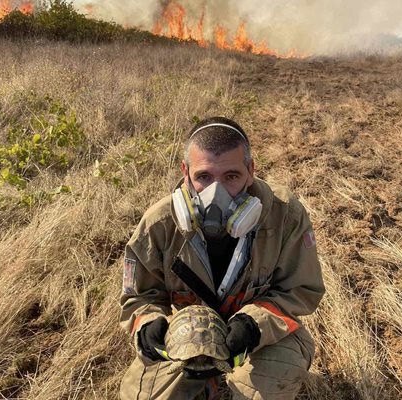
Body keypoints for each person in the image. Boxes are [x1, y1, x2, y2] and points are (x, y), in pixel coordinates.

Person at [119, 117, 325, 400]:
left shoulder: (284, 215)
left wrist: (255, 325)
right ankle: (207, 383)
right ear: (185, 172)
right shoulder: (158, 225)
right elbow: (138, 298)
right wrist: (147, 324)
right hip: (188, 337)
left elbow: (301, 291)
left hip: (264, 336)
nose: (216, 193)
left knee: (262, 391)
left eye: (231, 176)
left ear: (250, 171)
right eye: (204, 177)